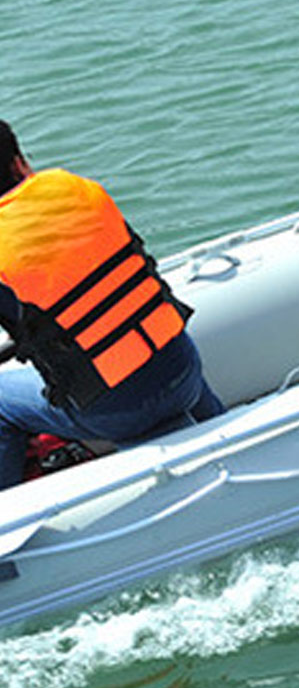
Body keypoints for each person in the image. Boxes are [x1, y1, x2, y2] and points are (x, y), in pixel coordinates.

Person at [0, 121, 224, 489]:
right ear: (20, 163)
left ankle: (8, 516)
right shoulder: (78, 190)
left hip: (115, 413)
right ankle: (226, 431)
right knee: (150, 345)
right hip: (183, 372)